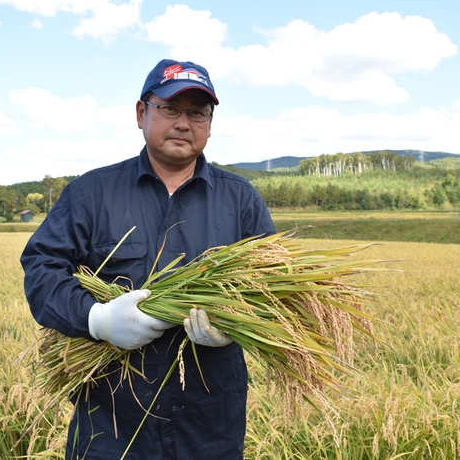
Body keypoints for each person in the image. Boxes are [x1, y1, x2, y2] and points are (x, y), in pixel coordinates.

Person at [20, 59, 276, 460]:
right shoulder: (92, 193)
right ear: (142, 113)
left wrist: (236, 324)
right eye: (170, 108)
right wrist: (98, 319)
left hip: (210, 430)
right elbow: (42, 270)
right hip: (110, 428)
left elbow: (275, 291)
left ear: (210, 122)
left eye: (197, 112)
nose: (183, 122)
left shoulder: (241, 200)